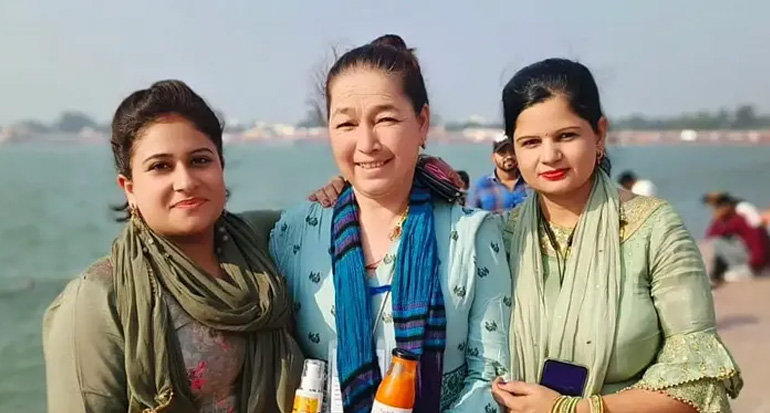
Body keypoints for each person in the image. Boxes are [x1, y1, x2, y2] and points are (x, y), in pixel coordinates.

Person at [264, 35, 511, 413]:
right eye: (346, 123)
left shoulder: (472, 235)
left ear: (422, 123)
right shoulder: (294, 232)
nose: (366, 143)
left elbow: (492, 377)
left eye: (385, 120)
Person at [490, 59, 742, 413]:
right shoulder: (499, 238)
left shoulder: (653, 227)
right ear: (512, 152)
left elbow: (698, 381)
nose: (550, 156)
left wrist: (574, 409)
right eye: (530, 142)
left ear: (600, 134)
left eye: (566, 135)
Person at [42, 80, 303, 413]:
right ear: (129, 188)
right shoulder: (97, 298)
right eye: (160, 166)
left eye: (199, 160)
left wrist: (343, 187)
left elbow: (337, 211)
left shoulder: (263, 240)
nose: (185, 181)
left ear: (221, 166)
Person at [703, 193, 770, 282]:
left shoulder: (740, 219)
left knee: (717, 242)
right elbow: (711, 233)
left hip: (756, 263)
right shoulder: (733, 219)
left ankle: (743, 271)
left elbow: (757, 241)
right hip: (760, 262)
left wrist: (755, 265)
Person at [467, 133, 528, 211]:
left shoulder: (531, 182)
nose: (509, 156)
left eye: (513, 151)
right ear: (493, 157)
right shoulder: (481, 186)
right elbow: (469, 217)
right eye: (502, 152)